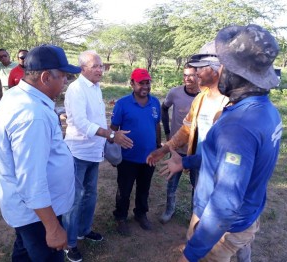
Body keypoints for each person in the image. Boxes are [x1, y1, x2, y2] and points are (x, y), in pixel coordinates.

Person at [160, 24, 282, 262]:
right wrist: (187, 161)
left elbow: (225, 203)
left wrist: (192, 254)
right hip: (241, 215)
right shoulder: (266, 111)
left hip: (222, 227)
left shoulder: (238, 125)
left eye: (224, 66)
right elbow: (221, 156)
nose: (220, 71)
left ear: (238, 73)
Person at [0, 44, 81, 261]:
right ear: (45, 77)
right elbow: (31, 179)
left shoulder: (16, 95)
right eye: (63, 76)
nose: (65, 82)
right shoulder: (33, 115)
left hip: (30, 210)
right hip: (38, 216)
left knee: (23, 253)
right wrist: (52, 227)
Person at [63, 50, 133, 262]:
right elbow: (81, 123)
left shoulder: (95, 87)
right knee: (74, 199)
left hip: (94, 151)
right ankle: (69, 243)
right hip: (78, 151)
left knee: (90, 195)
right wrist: (111, 135)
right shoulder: (75, 89)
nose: (100, 70)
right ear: (83, 68)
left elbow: (97, 118)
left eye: (101, 66)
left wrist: (106, 137)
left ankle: (83, 230)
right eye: (95, 66)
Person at [147, 41, 227, 208]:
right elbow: (186, 129)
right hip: (197, 161)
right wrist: (164, 149)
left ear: (216, 70)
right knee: (199, 200)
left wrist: (185, 163)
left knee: (210, 206)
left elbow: (224, 150)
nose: (195, 73)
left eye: (200, 68)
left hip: (216, 169)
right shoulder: (201, 98)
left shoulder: (229, 103)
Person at [111, 68, 161, 236]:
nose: (145, 87)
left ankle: (140, 213)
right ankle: (121, 217)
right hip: (128, 157)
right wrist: (112, 147)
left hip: (149, 157)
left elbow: (156, 126)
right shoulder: (122, 104)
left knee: (144, 188)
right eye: (141, 83)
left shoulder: (155, 103)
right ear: (132, 83)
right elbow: (113, 129)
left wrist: (158, 148)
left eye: (147, 83)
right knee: (124, 190)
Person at [159, 62, 200, 224]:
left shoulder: (204, 96)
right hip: (177, 148)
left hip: (196, 150)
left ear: (199, 75)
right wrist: (169, 133)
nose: (187, 78)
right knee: (171, 181)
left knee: (197, 185)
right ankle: (169, 209)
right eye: (185, 75)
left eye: (191, 75)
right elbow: (164, 108)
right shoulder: (174, 93)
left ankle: (194, 215)